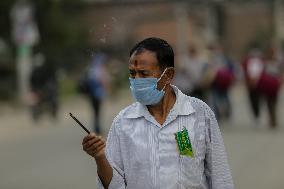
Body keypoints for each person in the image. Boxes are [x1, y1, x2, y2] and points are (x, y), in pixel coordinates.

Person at [81, 38, 234, 189]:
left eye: (144, 73)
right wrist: (100, 157)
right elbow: (115, 185)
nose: (136, 80)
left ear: (168, 75)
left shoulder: (200, 114)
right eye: (132, 73)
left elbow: (220, 176)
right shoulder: (123, 122)